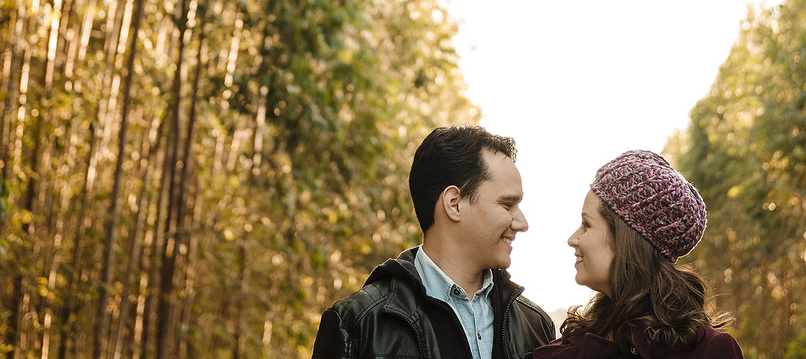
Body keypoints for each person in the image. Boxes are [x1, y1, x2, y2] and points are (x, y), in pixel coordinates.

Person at [312, 125, 556, 359]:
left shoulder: (536, 327)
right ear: (454, 204)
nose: (522, 223)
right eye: (507, 204)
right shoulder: (356, 324)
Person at [534, 150, 743, 359]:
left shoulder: (709, 350)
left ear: (625, 239)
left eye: (586, 225)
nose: (572, 239)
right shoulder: (566, 349)